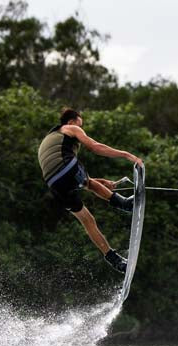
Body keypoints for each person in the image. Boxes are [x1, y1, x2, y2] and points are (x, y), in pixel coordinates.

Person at [38, 108, 143, 274]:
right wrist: (126, 155)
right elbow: (95, 147)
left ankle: (115, 261)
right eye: (81, 124)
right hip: (67, 170)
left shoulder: (50, 139)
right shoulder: (69, 128)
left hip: (54, 185)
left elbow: (74, 178)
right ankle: (125, 204)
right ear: (71, 121)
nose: (82, 128)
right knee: (90, 185)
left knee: (87, 220)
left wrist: (100, 183)